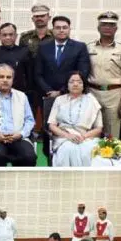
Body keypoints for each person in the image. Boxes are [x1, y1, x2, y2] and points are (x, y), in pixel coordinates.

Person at [35, 15, 91, 160]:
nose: (61, 30)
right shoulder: (43, 47)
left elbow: (83, 72)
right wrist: (49, 91)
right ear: (52, 29)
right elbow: (38, 73)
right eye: (58, 27)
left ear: (69, 29)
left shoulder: (79, 47)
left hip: (71, 95)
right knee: (49, 130)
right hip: (48, 96)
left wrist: (61, 91)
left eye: (64, 27)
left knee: (71, 126)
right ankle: (50, 160)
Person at [0, 63, 38, 166]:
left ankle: (20, 177)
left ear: (13, 80)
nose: (5, 80)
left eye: (8, 77)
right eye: (1, 77)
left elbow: (29, 120)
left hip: (18, 137)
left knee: (29, 156)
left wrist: (21, 134)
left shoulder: (22, 96)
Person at [87, 11, 121, 139]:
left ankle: (111, 153)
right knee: (91, 132)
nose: (107, 27)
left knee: (112, 135)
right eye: (104, 24)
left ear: (116, 29)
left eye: (111, 25)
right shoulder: (89, 47)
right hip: (92, 93)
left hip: (114, 95)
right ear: (98, 28)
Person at [47, 72, 103, 166]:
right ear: (67, 85)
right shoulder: (59, 100)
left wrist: (84, 136)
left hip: (86, 137)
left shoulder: (92, 101)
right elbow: (51, 125)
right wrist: (68, 136)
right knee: (68, 149)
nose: (75, 84)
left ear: (83, 85)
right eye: (72, 81)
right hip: (64, 138)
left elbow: (99, 128)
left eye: (79, 82)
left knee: (87, 150)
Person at [0, 23, 32, 104]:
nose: (8, 37)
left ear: (16, 36)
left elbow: (29, 75)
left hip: (20, 94)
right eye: (4, 35)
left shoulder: (25, 52)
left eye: (11, 34)